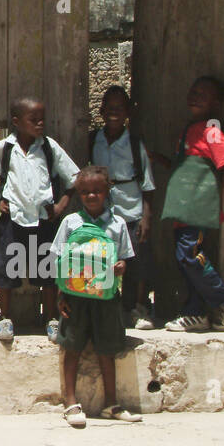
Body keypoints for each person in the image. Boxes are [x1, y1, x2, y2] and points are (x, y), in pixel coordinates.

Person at [0, 97, 79, 343]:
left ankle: (50, 319)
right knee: (7, 268)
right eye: (33, 120)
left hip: (43, 220)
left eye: (42, 119)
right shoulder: (4, 149)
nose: (40, 124)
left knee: (47, 270)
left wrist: (61, 205)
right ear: (17, 122)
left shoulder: (49, 147)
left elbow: (75, 177)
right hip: (13, 219)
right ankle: (5, 318)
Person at [52, 165, 141, 427]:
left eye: (97, 191)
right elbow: (60, 260)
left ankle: (111, 404)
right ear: (79, 194)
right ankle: (70, 402)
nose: (92, 196)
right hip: (76, 295)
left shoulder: (117, 224)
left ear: (107, 191)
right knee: (72, 346)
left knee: (107, 348)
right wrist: (61, 295)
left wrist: (121, 268)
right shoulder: (71, 223)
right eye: (86, 192)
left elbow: (124, 260)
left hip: (106, 296)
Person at [162, 76, 224, 333]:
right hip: (182, 207)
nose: (195, 95)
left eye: (204, 93)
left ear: (216, 103)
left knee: (189, 256)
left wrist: (215, 190)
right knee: (183, 258)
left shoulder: (210, 130)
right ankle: (195, 313)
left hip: (196, 207)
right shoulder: (190, 129)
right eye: (193, 90)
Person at [89, 86, 157, 329]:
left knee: (135, 262)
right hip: (103, 214)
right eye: (109, 108)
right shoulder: (93, 140)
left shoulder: (134, 143)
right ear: (101, 111)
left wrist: (146, 219)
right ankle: (104, 307)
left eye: (119, 108)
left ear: (128, 112)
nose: (114, 112)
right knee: (102, 259)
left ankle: (137, 308)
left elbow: (147, 184)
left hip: (131, 212)